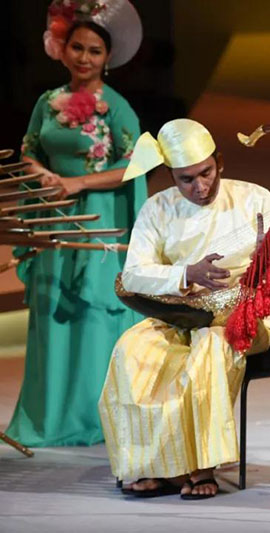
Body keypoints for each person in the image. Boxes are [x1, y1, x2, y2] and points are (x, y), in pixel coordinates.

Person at [99, 118, 270, 499]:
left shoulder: (253, 198)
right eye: (186, 179)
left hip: (240, 318)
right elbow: (132, 275)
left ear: (220, 163)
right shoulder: (157, 209)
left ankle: (200, 468)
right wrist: (186, 274)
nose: (199, 187)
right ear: (171, 175)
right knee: (130, 351)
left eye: (206, 173)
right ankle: (155, 465)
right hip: (179, 316)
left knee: (209, 349)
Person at [6, 0, 146, 447]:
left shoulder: (116, 108)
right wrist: (43, 176)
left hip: (98, 221)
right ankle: (49, 418)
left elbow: (135, 165)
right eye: (77, 48)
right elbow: (28, 151)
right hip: (54, 218)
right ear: (62, 50)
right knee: (52, 311)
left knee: (92, 312)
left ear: (108, 58)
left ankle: (92, 417)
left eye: (94, 51)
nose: (84, 58)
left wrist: (77, 182)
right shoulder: (46, 103)